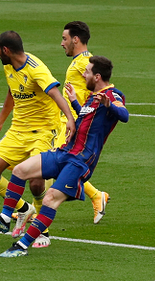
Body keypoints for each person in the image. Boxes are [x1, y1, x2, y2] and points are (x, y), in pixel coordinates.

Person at [0, 56, 128, 258]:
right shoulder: (92, 97)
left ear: (98, 76)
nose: (83, 74)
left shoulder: (113, 95)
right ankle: (5, 218)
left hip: (80, 161)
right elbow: (85, 119)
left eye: (87, 72)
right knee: (20, 170)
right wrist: (75, 102)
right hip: (65, 152)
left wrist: (110, 105)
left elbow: (124, 115)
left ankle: (22, 246)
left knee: (49, 199)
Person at [0, 31, 75, 242]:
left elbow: (55, 93)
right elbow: (12, 92)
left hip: (43, 132)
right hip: (17, 130)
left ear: (6, 50)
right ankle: (24, 208)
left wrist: (69, 118)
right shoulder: (8, 66)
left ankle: (42, 230)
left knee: (37, 184)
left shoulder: (36, 69)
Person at [59, 21, 109, 225]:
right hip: (64, 121)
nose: (62, 43)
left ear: (75, 39)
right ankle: (97, 196)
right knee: (53, 166)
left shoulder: (84, 62)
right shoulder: (81, 60)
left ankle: (30, 212)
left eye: (64, 38)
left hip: (71, 124)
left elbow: (98, 88)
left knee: (52, 166)